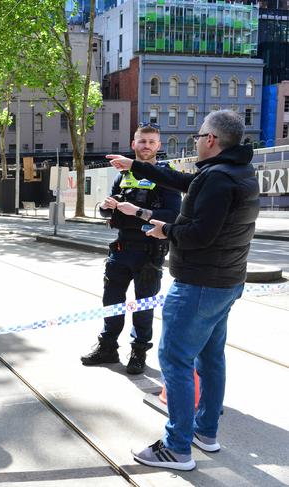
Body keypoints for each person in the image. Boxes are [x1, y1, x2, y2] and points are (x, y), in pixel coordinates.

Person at [108, 110, 259, 471]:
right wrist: (135, 166)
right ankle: (205, 432)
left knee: (175, 360)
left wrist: (165, 231)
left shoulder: (218, 179)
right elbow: (180, 181)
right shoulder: (235, 172)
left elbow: (198, 234)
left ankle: (176, 447)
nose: (194, 141)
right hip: (225, 280)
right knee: (211, 357)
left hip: (200, 283)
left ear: (210, 139)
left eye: (197, 135)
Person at [81, 123, 181, 374]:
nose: (146, 146)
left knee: (143, 305)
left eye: (151, 142)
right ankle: (108, 348)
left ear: (158, 146)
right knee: (111, 301)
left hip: (150, 249)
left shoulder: (166, 175)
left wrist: (138, 212)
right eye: (142, 141)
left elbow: (173, 214)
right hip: (121, 247)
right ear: (133, 144)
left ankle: (138, 352)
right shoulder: (123, 175)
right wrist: (107, 206)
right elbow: (108, 209)